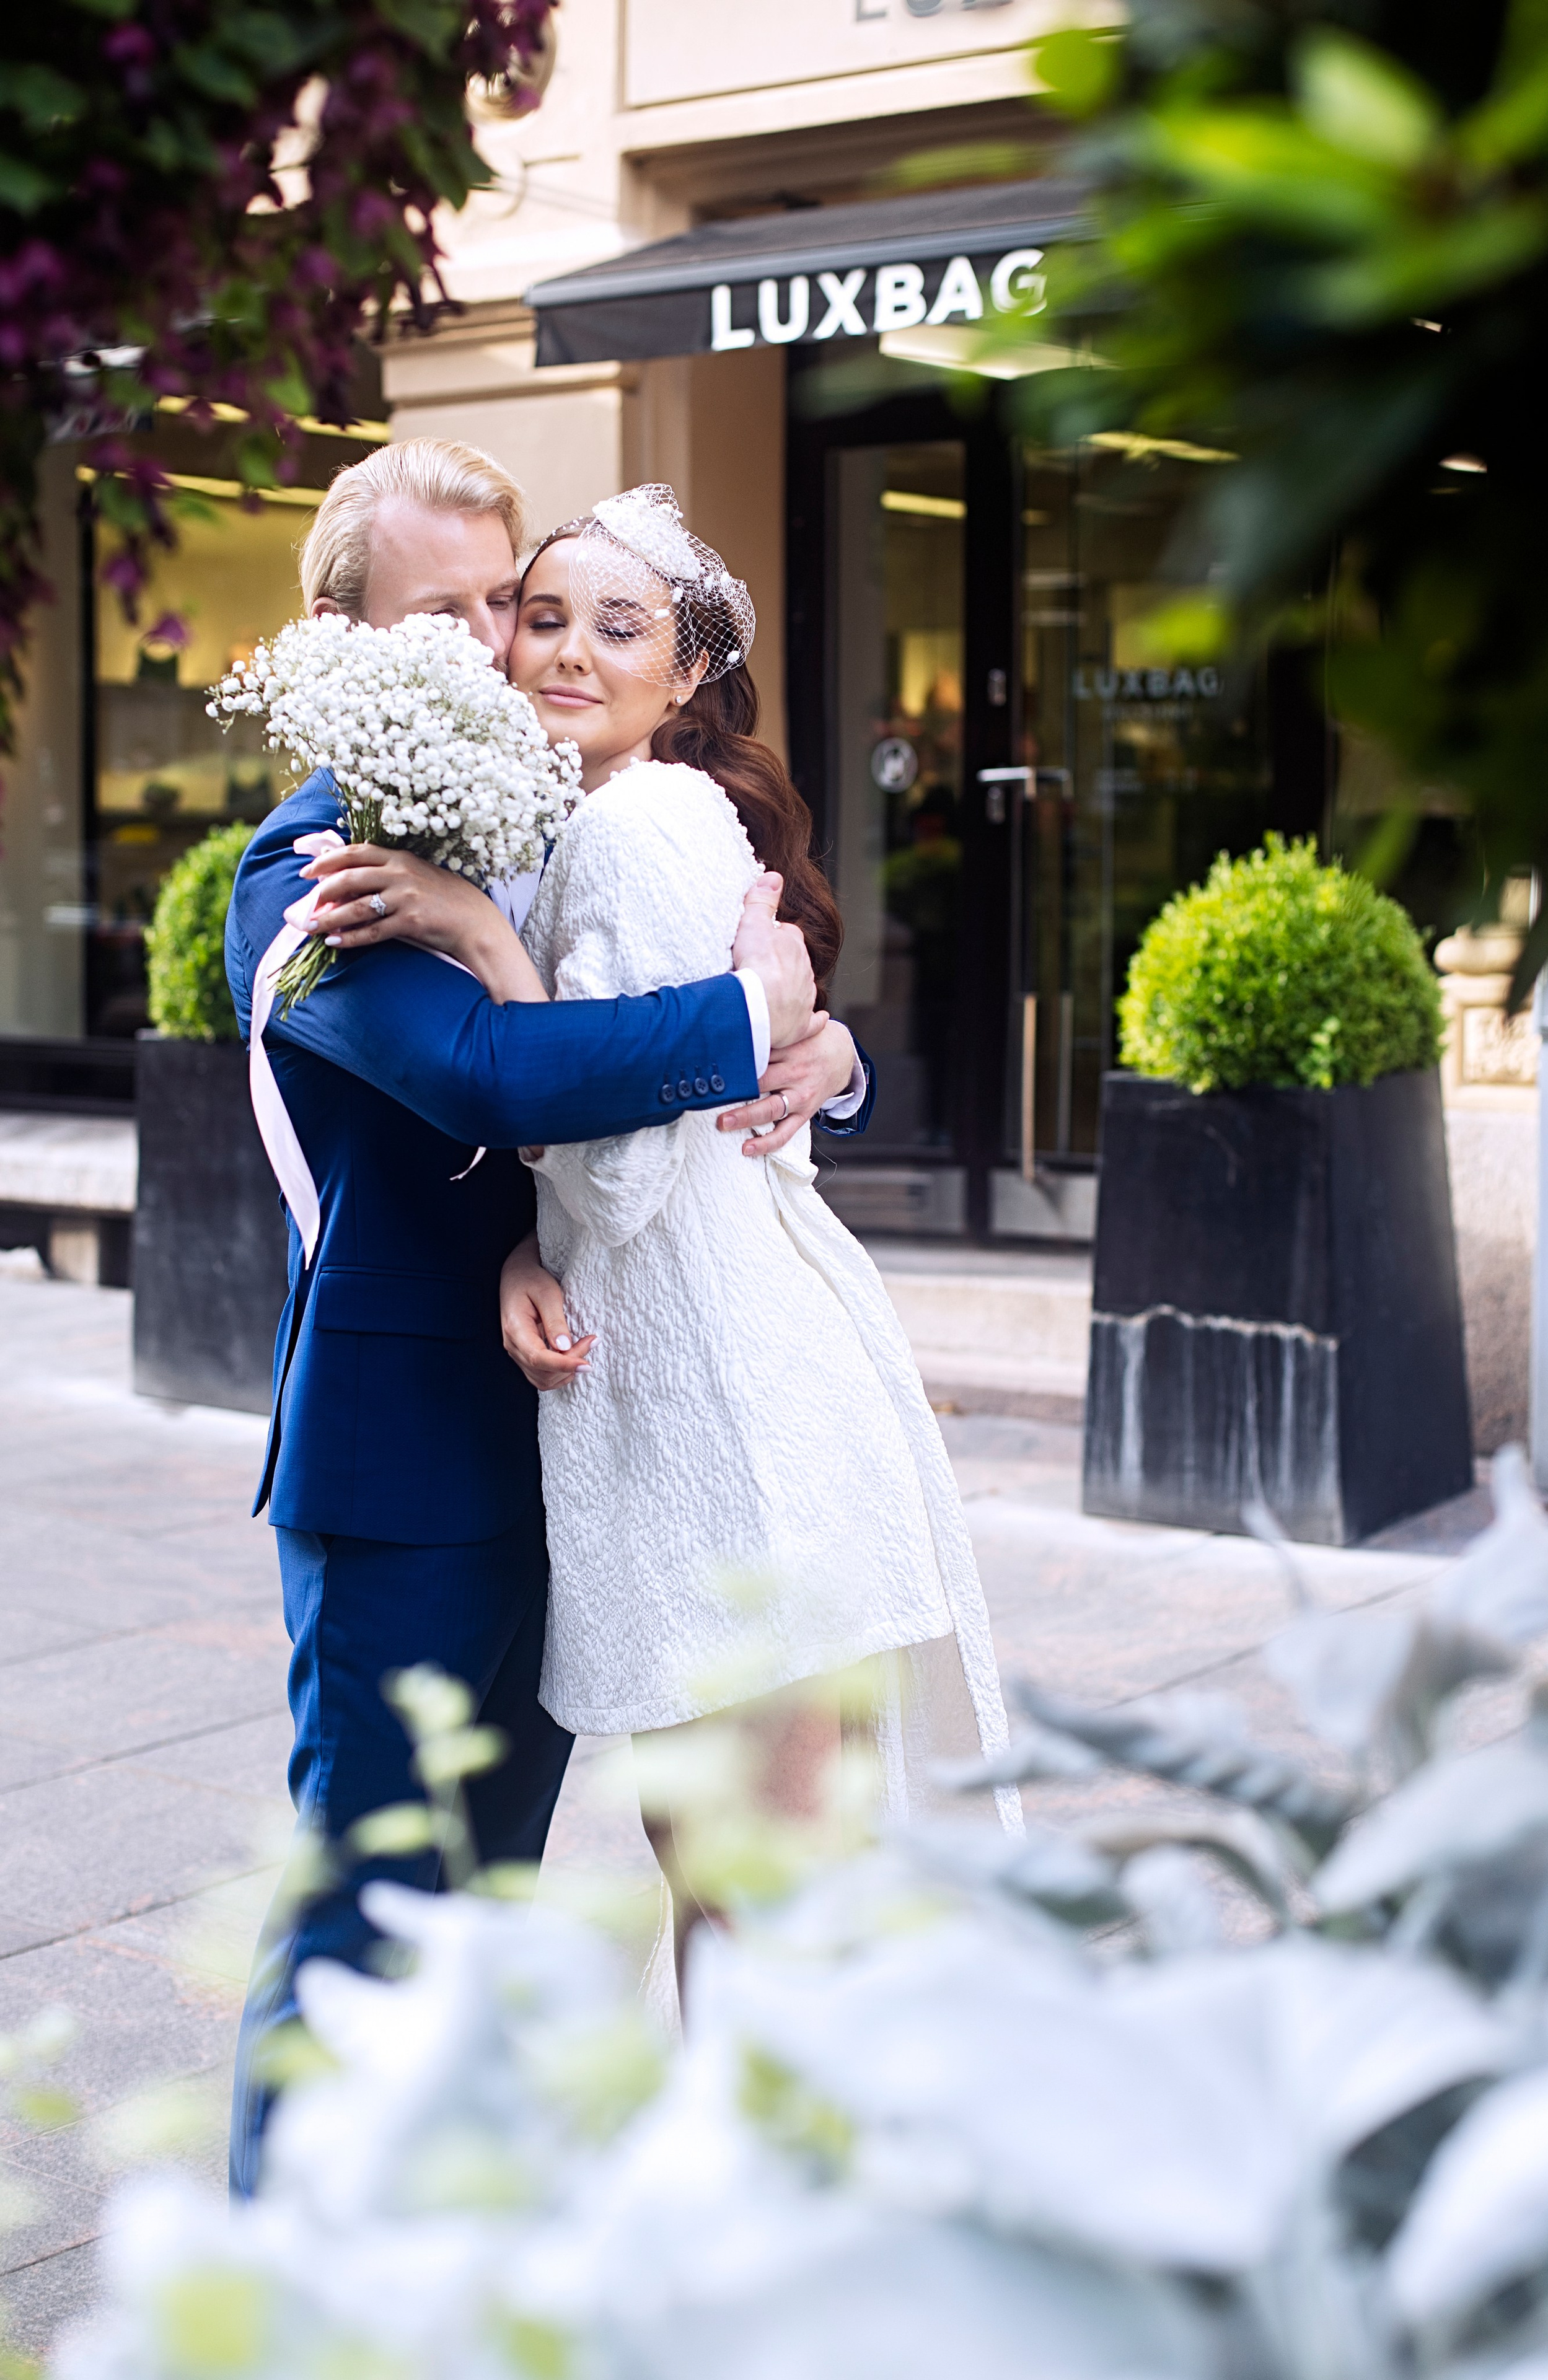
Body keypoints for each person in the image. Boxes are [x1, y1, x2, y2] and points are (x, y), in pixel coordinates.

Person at [224, 442, 872, 2193]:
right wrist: (747, 1014)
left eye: (497, 607)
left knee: (486, 1921)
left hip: (575, 1459)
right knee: (369, 1910)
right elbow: (492, 1072)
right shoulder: (310, 873)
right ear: (335, 629)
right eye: (448, 613)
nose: (499, 648)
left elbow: (638, 1049)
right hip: (403, 1477)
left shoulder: (533, 825)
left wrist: (821, 1052)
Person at [316, 485, 1016, 1980]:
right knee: (745, 1894)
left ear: (689, 671)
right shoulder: (586, 812)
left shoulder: (633, 822)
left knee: (758, 1902)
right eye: (541, 616)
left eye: (613, 626)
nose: (561, 651)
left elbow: (622, 1173)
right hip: (707, 1374)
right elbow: (662, 1134)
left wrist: (491, 947)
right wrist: (530, 1243)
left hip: (720, 1410)